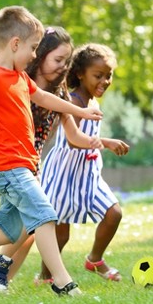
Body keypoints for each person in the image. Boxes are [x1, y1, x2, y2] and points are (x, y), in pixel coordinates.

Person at [0, 5, 103, 297]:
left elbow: (44, 98)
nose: (34, 55)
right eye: (33, 47)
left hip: (22, 167)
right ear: (15, 44)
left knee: (8, 233)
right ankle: (64, 283)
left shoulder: (19, 77)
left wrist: (81, 112)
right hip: (9, 168)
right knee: (45, 216)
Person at [40, 43, 129, 283]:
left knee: (113, 213)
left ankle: (94, 260)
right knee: (61, 233)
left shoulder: (92, 103)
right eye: (98, 76)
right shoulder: (75, 101)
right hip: (63, 173)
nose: (105, 81)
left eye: (108, 75)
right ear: (80, 74)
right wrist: (106, 142)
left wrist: (101, 144)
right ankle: (46, 276)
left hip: (88, 174)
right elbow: (72, 141)